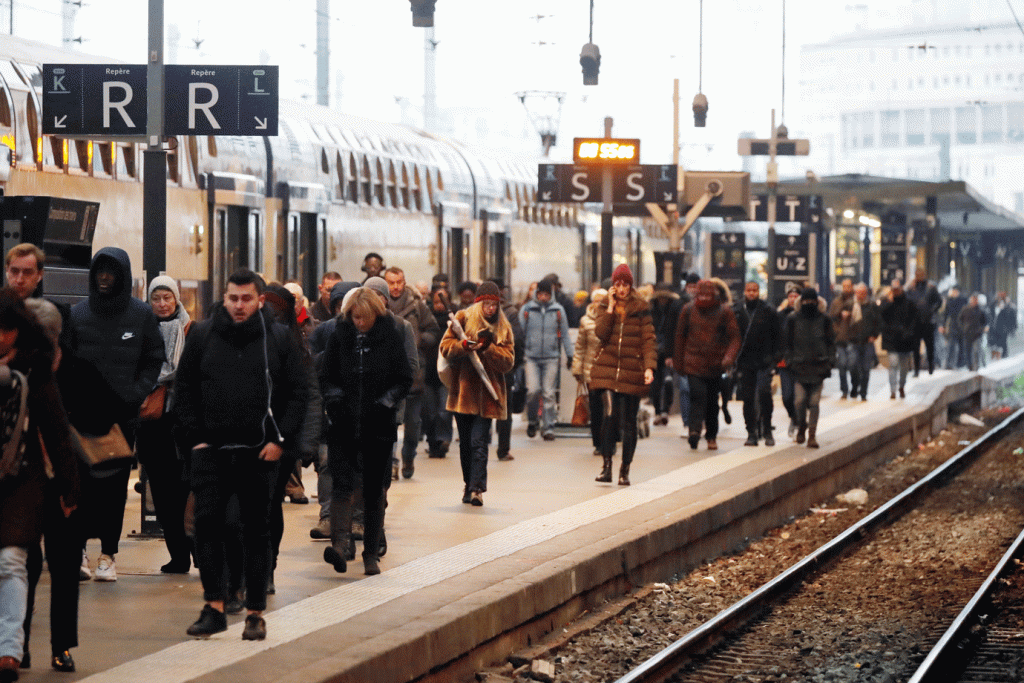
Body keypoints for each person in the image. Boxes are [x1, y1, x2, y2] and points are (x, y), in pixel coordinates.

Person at [175, 269, 310, 641]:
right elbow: (184, 388)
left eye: (246, 299)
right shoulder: (202, 335)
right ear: (225, 297)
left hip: (260, 453)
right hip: (211, 451)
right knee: (208, 526)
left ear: (260, 300)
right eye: (233, 298)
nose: (238, 306)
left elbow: (299, 393)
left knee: (255, 530)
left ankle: (254, 612)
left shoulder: (279, 339)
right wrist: (194, 439)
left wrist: (280, 442)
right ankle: (214, 606)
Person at [66, 247, 165, 583]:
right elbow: (64, 363)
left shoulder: (141, 315)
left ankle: (108, 555)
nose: (105, 278)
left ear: (122, 275)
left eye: (111, 272)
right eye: (100, 272)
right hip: (81, 418)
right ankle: (78, 549)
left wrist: (136, 394)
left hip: (121, 419)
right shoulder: (77, 315)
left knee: (113, 488)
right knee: (77, 484)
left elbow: (154, 358)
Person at [0, 290, 80, 680]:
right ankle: (18, 645)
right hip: (23, 481)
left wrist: (71, 487)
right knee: (20, 565)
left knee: (53, 565)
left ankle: (49, 646)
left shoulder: (53, 369)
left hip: (46, 480)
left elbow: (62, 431)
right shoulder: (24, 368)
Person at [319, 288, 411, 575]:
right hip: (343, 425)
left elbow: (404, 378)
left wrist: (386, 403)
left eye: (364, 318)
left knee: (373, 490)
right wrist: (334, 401)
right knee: (342, 486)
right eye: (355, 317)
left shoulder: (390, 337)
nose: (359, 323)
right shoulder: (340, 336)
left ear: (375, 315)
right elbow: (326, 375)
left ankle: (370, 553)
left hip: (378, 426)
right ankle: (340, 546)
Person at [134, 276, 193, 574]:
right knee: (160, 490)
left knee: (184, 490)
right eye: (156, 298)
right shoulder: (141, 328)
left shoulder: (189, 329)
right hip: (151, 422)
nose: (161, 304)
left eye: (167, 298)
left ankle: (193, 546)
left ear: (177, 299)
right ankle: (178, 555)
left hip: (180, 422)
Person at [439, 281, 515, 506]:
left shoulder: (503, 327)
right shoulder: (462, 318)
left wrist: (488, 349)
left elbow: (509, 360)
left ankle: (477, 489)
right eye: (487, 304)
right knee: (465, 444)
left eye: (494, 304)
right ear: (479, 303)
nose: (491, 309)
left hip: (489, 395)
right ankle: (468, 484)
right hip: (463, 392)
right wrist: (464, 346)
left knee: (478, 441)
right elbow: (445, 346)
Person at [589, 266, 656, 485]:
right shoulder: (603, 305)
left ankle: (624, 470)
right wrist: (609, 307)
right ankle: (606, 466)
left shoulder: (641, 308)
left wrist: (649, 368)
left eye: (625, 284)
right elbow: (600, 333)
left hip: (631, 370)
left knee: (629, 422)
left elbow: (648, 340)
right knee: (609, 415)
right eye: (617, 285)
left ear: (631, 285)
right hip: (607, 369)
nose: (621, 289)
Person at [383, 267, 440, 479]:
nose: (396, 287)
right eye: (391, 283)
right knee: (390, 423)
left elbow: (434, 330)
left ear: (404, 281)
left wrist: (420, 340)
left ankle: (408, 455)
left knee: (413, 425)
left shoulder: (417, 305)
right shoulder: (380, 305)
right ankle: (392, 463)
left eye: (399, 282)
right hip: (388, 378)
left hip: (414, 376)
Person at [673, 279, 741, 451]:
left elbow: (734, 337)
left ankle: (711, 435)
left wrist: (728, 357)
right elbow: (680, 337)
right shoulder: (688, 310)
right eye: (701, 294)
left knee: (711, 401)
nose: (704, 298)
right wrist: (678, 362)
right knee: (697, 395)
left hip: (715, 364)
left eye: (707, 295)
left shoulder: (724, 312)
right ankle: (694, 430)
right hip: (693, 362)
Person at [519, 279, 573, 441]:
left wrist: (570, 354)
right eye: (540, 293)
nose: (543, 297)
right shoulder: (527, 309)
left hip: (551, 357)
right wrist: (518, 353)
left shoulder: (558, 311)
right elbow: (520, 333)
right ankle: (533, 419)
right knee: (533, 390)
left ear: (551, 295)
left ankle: (548, 427)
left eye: (546, 294)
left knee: (549, 393)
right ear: (536, 293)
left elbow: (564, 334)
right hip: (531, 357)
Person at [782, 288, 836, 448]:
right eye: (806, 301)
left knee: (814, 402)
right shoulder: (793, 319)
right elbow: (787, 342)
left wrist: (830, 361)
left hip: (819, 367)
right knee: (799, 401)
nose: (809, 304)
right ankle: (801, 425)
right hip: (799, 367)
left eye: (812, 301)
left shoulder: (825, 320)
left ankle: (812, 434)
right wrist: (789, 360)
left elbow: (831, 342)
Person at [734, 281, 781, 446]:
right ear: (745, 292)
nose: (752, 293)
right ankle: (751, 432)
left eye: (754, 290)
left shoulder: (768, 311)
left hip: (764, 360)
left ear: (759, 291)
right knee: (747, 397)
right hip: (745, 360)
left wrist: (775, 357)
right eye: (749, 290)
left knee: (764, 393)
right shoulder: (738, 311)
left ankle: (767, 429)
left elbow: (777, 335)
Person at [572, 288, 609, 455]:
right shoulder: (585, 321)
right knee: (595, 408)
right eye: (596, 300)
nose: (599, 303)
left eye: (602, 299)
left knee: (609, 407)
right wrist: (577, 369)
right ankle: (598, 443)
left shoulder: (612, 318)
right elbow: (580, 347)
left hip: (608, 369)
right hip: (590, 371)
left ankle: (610, 440)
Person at [493, 279, 524, 462]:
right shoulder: (511, 312)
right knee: (504, 410)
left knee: (483, 409)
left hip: (485, 369)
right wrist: (515, 363)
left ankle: (480, 441)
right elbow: (518, 340)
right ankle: (503, 449)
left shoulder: (474, 313)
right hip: (505, 368)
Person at [422, 287, 455, 459]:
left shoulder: (454, 321)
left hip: (446, 373)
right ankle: (433, 443)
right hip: (427, 374)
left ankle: (444, 439)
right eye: (435, 302)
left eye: (442, 302)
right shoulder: (427, 321)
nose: (439, 306)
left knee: (444, 410)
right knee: (429, 412)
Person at [879, 280, 919, 399]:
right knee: (893, 363)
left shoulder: (909, 302)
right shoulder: (887, 302)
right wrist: (888, 301)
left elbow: (915, 319)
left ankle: (902, 385)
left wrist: (909, 332)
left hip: (905, 340)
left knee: (904, 367)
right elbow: (880, 314)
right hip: (891, 339)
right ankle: (893, 389)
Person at [649, 283, 680, 426]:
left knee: (667, 381)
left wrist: (671, 354)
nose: (662, 300)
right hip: (654, 350)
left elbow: (675, 332)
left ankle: (665, 410)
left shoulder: (675, 308)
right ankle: (657, 411)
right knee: (654, 383)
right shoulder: (650, 308)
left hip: (669, 350)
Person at [847, 283, 882, 401]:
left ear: (866, 293)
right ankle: (855, 386)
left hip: (867, 341)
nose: (860, 295)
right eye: (858, 292)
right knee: (853, 366)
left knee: (866, 368)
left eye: (863, 293)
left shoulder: (871, 305)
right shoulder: (850, 305)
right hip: (853, 341)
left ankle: (863, 392)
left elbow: (878, 321)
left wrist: (875, 335)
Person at [907, 268, 942, 376]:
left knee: (930, 346)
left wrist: (933, 310)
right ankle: (916, 369)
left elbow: (939, 301)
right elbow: (907, 301)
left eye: (921, 274)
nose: (919, 276)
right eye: (917, 274)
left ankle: (931, 366)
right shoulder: (911, 288)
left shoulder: (931, 287)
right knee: (915, 347)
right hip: (915, 322)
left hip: (928, 321)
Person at [828, 279, 856, 399]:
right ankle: (844, 389)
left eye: (848, 286)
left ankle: (855, 386)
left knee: (853, 365)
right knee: (842, 364)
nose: (846, 288)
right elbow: (831, 318)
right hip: (840, 338)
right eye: (844, 286)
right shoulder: (836, 301)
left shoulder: (856, 301)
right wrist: (840, 314)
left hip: (853, 338)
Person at [940, 286, 968, 369]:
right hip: (953, 325)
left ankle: (961, 363)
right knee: (951, 345)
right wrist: (943, 325)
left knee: (962, 345)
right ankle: (949, 364)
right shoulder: (949, 301)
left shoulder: (963, 300)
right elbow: (945, 314)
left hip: (962, 326)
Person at [959, 294, 988, 371]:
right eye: (972, 300)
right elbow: (960, 320)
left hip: (977, 334)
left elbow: (985, 321)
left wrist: (981, 329)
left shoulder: (981, 310)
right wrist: (963, 328)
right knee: (968, 351)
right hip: (967, 333)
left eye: (975, 300)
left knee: (976, 351)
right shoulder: (965, 309)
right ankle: (970, 366)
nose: (974, 301)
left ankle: (976, 366)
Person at [988, 291, 1017, 360]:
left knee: (1003, 342)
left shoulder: (1008, 307)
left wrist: (1012, 329)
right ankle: (996, 355)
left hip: (1003, 328)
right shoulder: (993, 306)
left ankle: (1004, 355)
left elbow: (1012, 318)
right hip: (994, 328)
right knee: (994, 342)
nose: (999, 299)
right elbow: (990, 311)